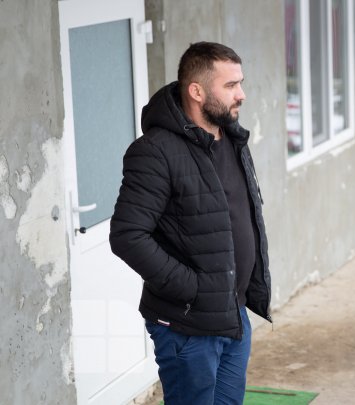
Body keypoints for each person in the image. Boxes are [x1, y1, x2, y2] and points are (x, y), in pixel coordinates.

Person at [110, 42, 271, 405]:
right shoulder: (155, 151)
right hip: (187, 326)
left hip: (233, 316)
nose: (241, 95)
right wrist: (193, 288)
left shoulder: (232, 139)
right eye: (230, 86)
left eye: (240, 83)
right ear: (196, 91)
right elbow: (127, 235)